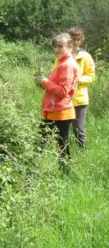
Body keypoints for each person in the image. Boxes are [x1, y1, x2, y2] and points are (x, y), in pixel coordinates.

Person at [36, 33, 79, 171]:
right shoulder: (62, 62)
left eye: (60, 47)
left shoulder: (67, 65)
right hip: (53, 110)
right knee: (42, 142)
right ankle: (32, 169)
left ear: (70, 46)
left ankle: (65, 173)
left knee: (61, 145)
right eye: (54, 47)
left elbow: (62, 91)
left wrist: (44, 82)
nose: (56, 50)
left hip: (61, 111)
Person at [66, 27, 96, 148]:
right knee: (63, 127)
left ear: (81, 40)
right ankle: (64, 149)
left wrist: (79, 80)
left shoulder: (86, 56)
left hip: (80, 97)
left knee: (78, 128)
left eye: (78, 39)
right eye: (73, 39)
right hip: (64, 97)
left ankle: (82, 150)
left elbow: (91, 75)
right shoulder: (62, 55)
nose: (75, 42)